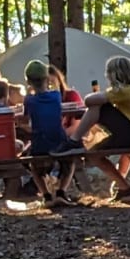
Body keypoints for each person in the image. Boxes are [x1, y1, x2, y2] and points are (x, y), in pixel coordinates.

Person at [80, 52, 130, 200]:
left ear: (115, 74)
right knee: (92, 152)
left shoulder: (123, 91)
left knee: (99, 108)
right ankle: (124, 188)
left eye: (108, 73)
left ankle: (75, 139)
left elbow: (89, 100)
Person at [19, 58, 84, 207]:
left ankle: (47, 195)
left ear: (28, 81)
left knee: (32, 163)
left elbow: (25, 118)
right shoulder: (56, 96)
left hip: (40, 144)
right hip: (59, 141)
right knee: (70, 160)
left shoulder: (29, 99)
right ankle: (61, 191)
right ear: (47, 78)